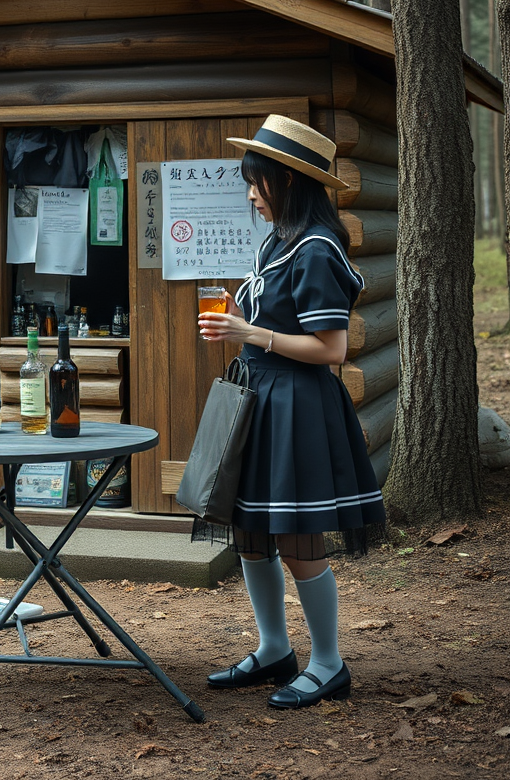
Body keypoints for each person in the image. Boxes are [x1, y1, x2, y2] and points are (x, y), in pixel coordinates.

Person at [196, 114, 386, 710]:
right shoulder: (281, 242)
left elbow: (331, 350)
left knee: (298, 541)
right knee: (254, 534)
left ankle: (329, 663)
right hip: (262, 399)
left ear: (288, 181)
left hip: (299, 405)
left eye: (258, 182)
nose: (251, 194)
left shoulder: (317, 249)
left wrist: (249, 332)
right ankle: (275, 648)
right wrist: (246, 335)